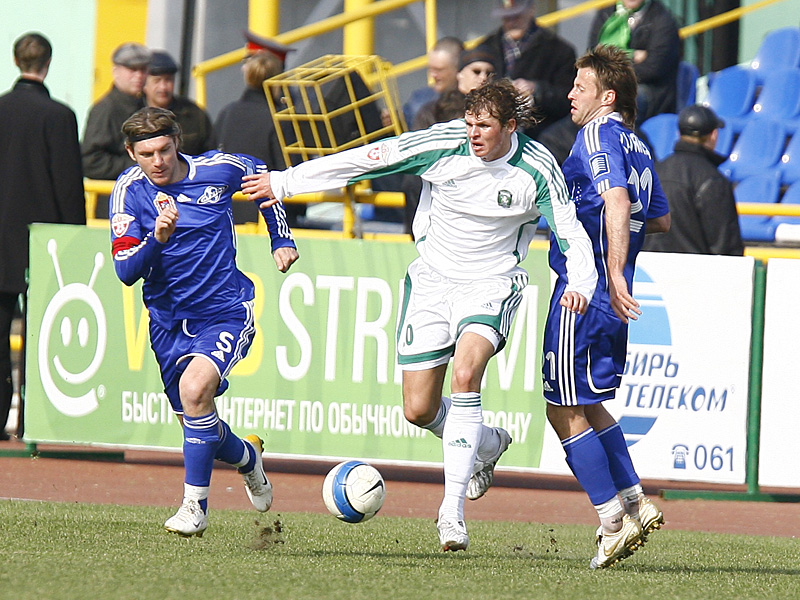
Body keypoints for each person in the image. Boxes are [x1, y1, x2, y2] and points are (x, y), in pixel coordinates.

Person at [242, 79, 597, 551]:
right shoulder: (441, 144)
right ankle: (487, 443)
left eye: (484, 126)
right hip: (431, 282)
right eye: (469, 123)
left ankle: (451, 513)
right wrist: (285, 182)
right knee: (418, 409)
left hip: (492, 282)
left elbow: (570, 230)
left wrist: (581, 282)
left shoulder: (536, 167)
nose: (473, 134)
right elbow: (368, 159)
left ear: (510, 127)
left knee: (466, 375)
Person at [109, 107, 298, 537]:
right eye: (146, 154)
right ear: (131, 153)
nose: (157, 161)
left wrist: (280, 237)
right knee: (200, 426)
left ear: (177, 142)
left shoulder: (217, 170)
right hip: (167, 324)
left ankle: (194, 507)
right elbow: (125, 270)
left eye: (164, 149)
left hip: (225, 311)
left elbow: (261, 175)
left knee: (195, 391)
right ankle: (248, 457)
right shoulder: (129, 191)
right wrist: (157, 239)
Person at [543, 45, 670, 569]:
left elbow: (616, 199)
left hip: (585, 290)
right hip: (611, 296)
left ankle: (611, 522)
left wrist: (610, 270)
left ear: (607, 96)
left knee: (561, 407)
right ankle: (636, 502)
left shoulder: (596, 135)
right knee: (590, 403)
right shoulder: (638, 144)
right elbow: (658, 218)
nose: (570, 94)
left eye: (581, 86)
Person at [0, 32, 86, 441]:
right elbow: (68, 186)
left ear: (16, 61)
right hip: (43, 243)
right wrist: (77, 241)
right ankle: (33, 421)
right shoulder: (60, 116)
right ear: (47, 64)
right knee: (41, 331)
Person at [403, 48, 498, 234]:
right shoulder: (433, 110)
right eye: (476, 71)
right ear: (459, 74)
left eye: (489, 73)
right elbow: (418, 153)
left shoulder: (502, 115)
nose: (483, 78)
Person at [644, 105, 743, 255]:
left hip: (646, 266)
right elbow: (725, 245)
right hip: (692, 268)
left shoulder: (654, 172)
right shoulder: (712, 179)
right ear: (714, 135)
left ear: (679, 133)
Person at [476, 0, 576, 140]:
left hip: (538, 136)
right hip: (493, 135)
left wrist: (537, 90)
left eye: (517, 16)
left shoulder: (558, 50)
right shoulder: (486, 47)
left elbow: (568, 99)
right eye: (506, 17)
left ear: (531, 10)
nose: (512, 22)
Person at [589, 0, 681, 125]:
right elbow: (593, 54)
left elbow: (652, 68)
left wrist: (611, 67)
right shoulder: (606, 13)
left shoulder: (663, 19)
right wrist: (632, 55)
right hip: (609, 82)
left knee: (619, 101)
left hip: (650, 90)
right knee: (583, 95)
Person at [82, 42, 151, 181]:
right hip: (115, 190)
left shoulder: (144, 104)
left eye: (143, 69)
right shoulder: (106, 109)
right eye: (132, 69)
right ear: (116, 71)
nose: (139, 75)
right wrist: (140, 166)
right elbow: (91, 161)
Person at [144, 50, 215, 156]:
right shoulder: (131, 113)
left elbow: (210, 152)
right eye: (157, 81)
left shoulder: (193, 114)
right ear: (144, 84)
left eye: (168, 80)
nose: (163, 87)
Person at [402, 37, 464, 129]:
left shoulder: (475, 100)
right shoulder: (418, 101)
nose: (432, 75)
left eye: (439, 70)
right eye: (430, 69)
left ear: (458, 69)